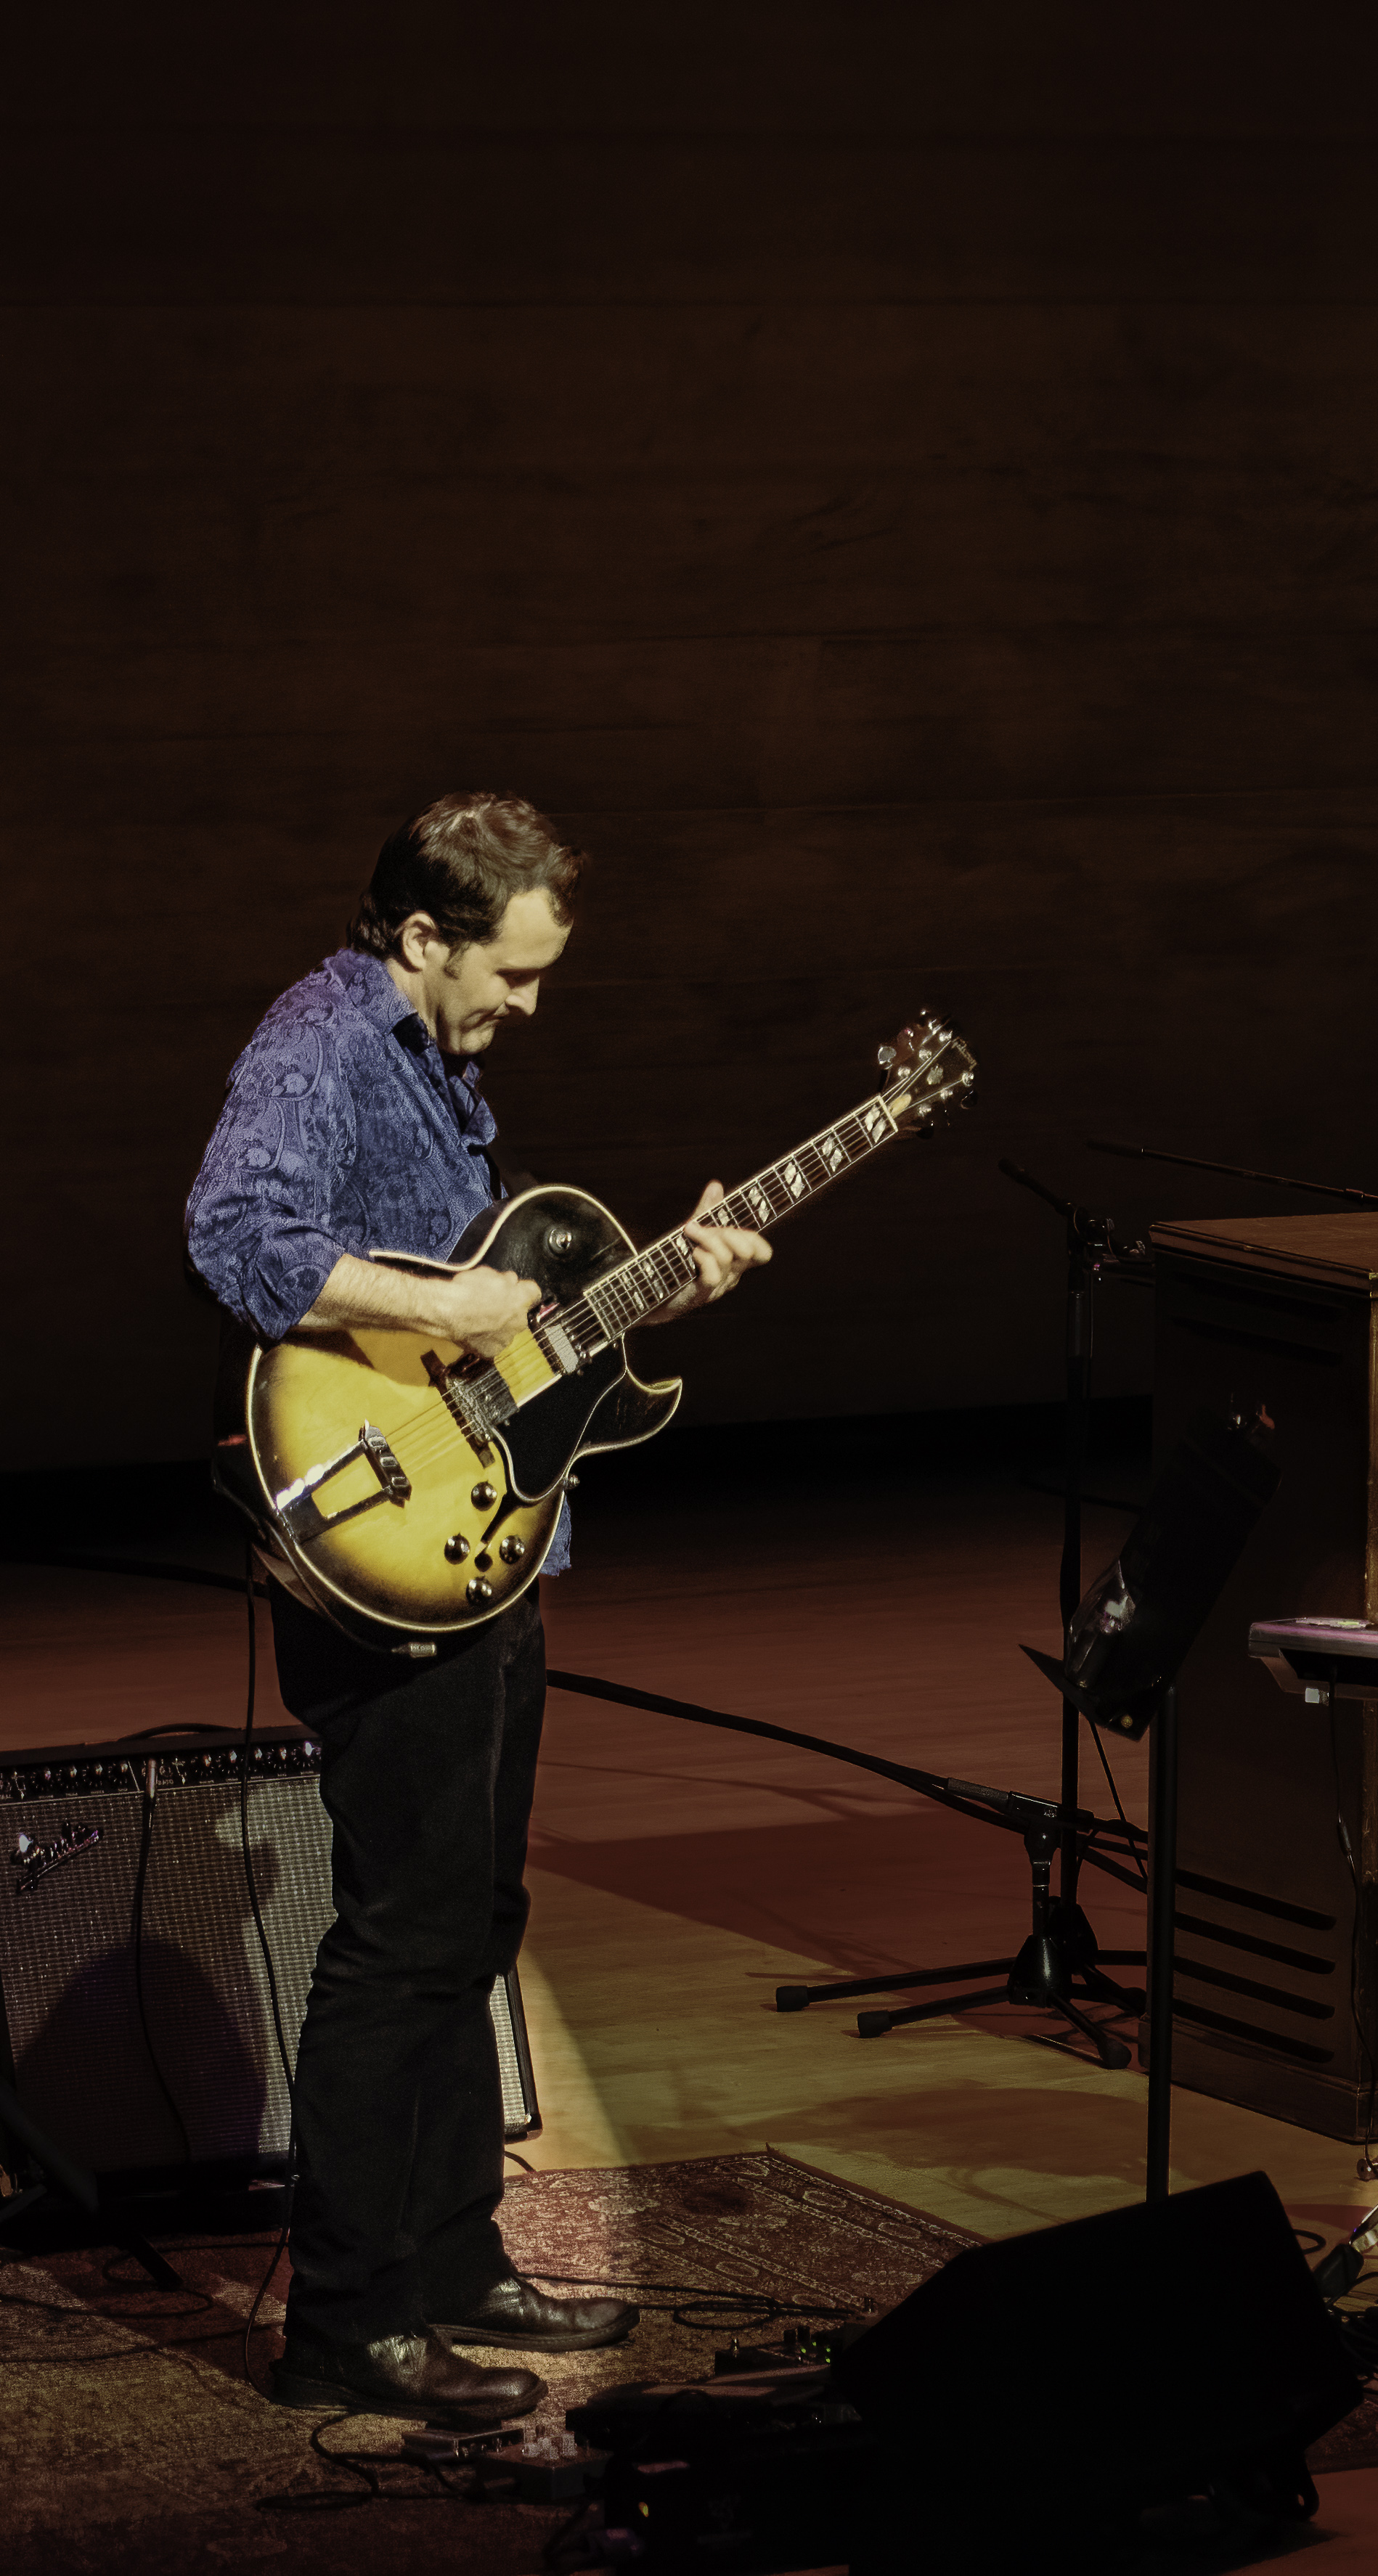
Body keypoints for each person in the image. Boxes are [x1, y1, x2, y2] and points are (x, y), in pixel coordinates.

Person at [185, 794, 770, 2423]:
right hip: (384, 1555)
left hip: (492, 1549)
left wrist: (673, 1272)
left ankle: (452, 2258)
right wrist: (439, 1294)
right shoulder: (318, 1040)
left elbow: (516, 1329)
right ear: (421, 934)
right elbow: (236, 1236)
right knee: (401, 1942)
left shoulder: (433, 1055)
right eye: (509, 972)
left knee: (471, 1927)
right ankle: (349, 2322)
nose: (529, 1003)